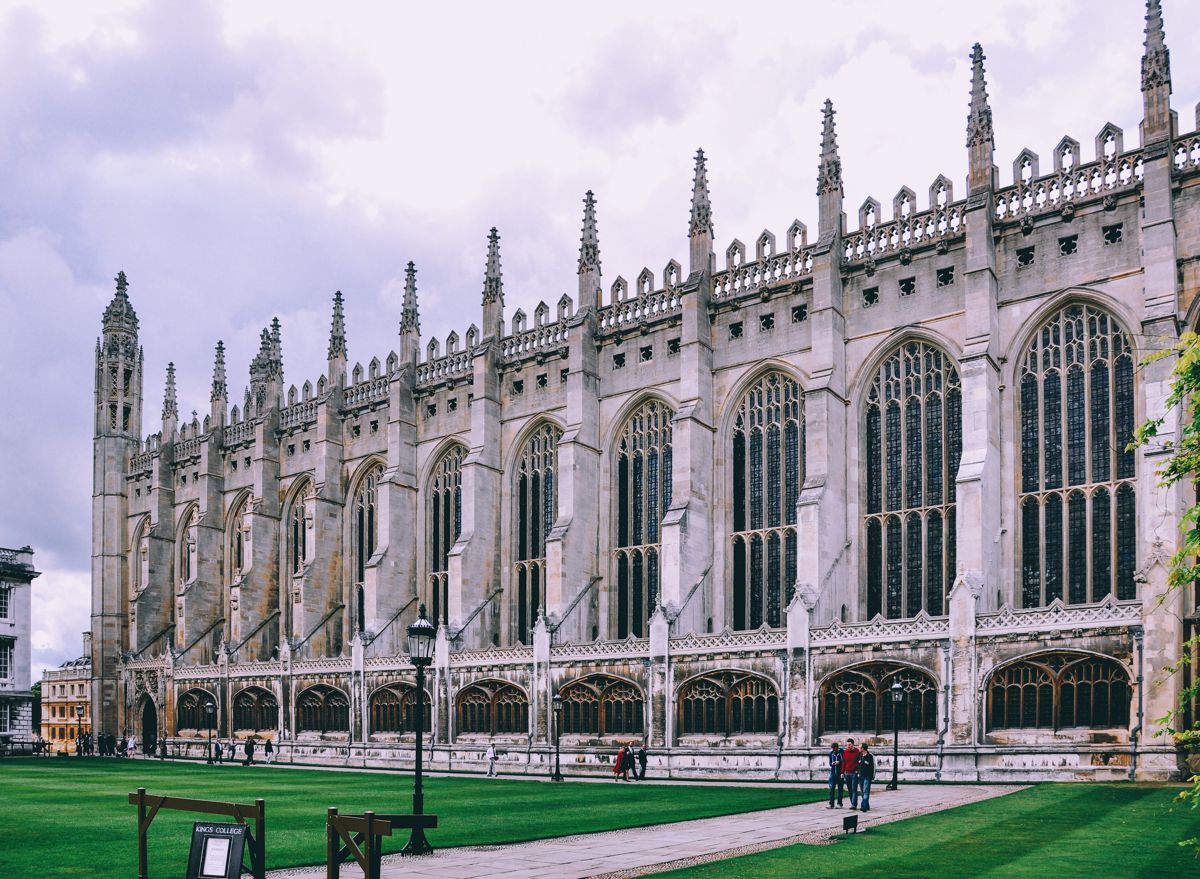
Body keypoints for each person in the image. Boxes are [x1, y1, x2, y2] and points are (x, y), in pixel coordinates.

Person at [841, 738, 861, 810]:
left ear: (853, 744)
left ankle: (854, 804)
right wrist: (842, 772)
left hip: (854, 773)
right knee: (849, 790)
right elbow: (844, 763)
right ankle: (852, 803)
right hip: (847, 773)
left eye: (849, 745)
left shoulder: (857, 752)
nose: (848, 746)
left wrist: (858, 772)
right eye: (847, 745)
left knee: (854, 789)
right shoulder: (845, 752)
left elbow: (859, 763)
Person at [857, 743, 875, 812]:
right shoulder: (860, 755)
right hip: (860, 776)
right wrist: (858, 772)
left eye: (859, 747)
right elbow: (858, 765)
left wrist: (872, 777)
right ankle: (866, 805)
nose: (858, 749)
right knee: (862, 792)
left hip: (867, 776)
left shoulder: (870, 756)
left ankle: (863, 806)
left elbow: (873, 767)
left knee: (866, 791)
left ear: (863, 749)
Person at [826, 741, 844, 808]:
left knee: (840, 789)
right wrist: (833, 763)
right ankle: (831, 804)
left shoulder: (842, 752)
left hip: (840, 773)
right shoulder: (831, 754)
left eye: (834, 749)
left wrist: (839, 762)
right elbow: (830, 763)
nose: (833, 750)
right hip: (833, 772)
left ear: (836, 748)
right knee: (831, 789)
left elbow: (844, 761)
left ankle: (839, 803)